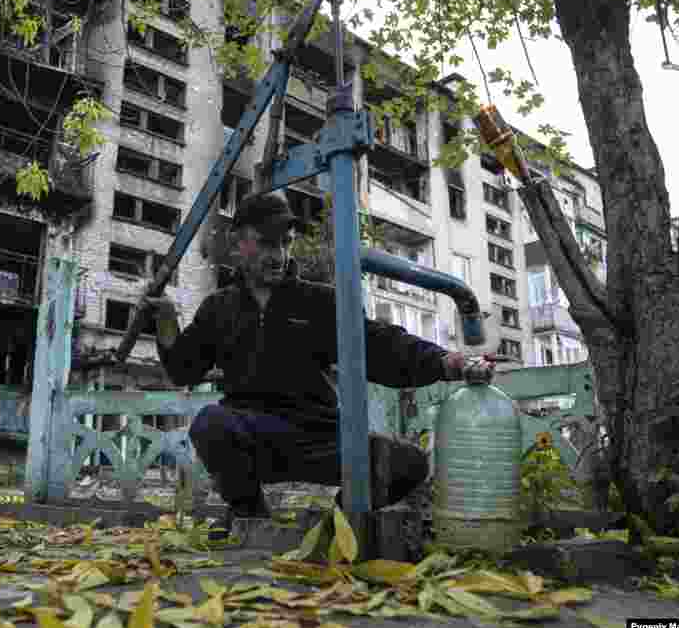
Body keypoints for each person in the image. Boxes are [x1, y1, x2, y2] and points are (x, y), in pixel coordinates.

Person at [142, 192, 488, 535]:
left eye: (285, 243)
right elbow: (182, 370)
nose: (277, 255)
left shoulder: (319, 301)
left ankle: (330, 532)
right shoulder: (218, 309)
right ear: (238, 243)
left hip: (321, 437)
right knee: (210, 422)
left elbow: (380, 345)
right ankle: (252, 519)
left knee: (408, 462)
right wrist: (166, 321)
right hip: (253, 437)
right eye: (265, 243)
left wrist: (446, 362)